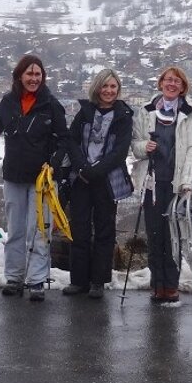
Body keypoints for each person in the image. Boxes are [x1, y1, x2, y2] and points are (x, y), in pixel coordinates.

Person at [0, 55, 69, 301]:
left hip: (43, 180)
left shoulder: (51, 105)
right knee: (15, 229)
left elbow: (64, 139)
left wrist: (54, 164)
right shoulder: (7, 103)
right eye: (29, 74)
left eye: (38, 75)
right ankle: (14, 277)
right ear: (19, 76)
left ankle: (36, 280)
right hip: (14, 176)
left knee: (40, 230)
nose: (34, 79)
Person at [132, 66, 192, 304]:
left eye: (177, 81)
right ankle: (157, 282)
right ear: (160, 83)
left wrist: (188, 180)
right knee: (154, 234)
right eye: (168, 80)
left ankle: (170, 284)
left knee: (174, 234)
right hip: (151, 182)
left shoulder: (191, 113)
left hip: (176, 183)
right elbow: (135, 145)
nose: (172, 84)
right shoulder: (146, 111)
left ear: (183, 87)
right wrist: (145, 147)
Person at [61, 69, 134, 299]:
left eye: (113, 87)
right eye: (105, 86)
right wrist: (82, 167)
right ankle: (79, 280)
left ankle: (98, 282)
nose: (109, 91)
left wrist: (95, 171)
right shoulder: (84, 112)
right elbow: (71, 141)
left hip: (107, 180)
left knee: (104, 230)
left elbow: (120, 151)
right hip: (81, 179)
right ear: (97, 88)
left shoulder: (123, 115)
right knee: (79, 229)